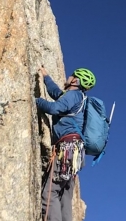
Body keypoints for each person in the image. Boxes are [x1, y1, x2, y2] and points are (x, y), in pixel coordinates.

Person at [36, 66, 96, 221]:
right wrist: (46, 77)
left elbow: (55, 108)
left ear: (75, 80)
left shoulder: (73, 95)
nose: (68, 77)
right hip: (75, 153)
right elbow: (57, 94)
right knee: (64, 197)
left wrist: (33, 100)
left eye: (72, 76)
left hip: (66, 148)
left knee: (50, 193)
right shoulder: (78, 98)